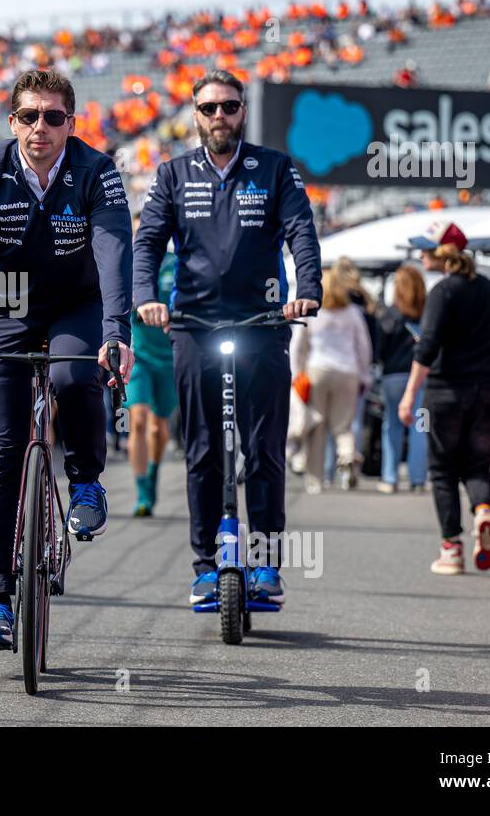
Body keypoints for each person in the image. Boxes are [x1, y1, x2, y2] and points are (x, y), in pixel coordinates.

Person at [0, 68, 134, 649]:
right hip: (7, 307)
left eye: (54, 117)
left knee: (77, 375)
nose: (41, 128)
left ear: (70, 124)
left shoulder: (96, 170)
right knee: (1, 455)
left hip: (78, 305)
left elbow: (113, 250)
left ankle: (85, 483)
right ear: (13, 122)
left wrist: (115, 331)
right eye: (29, 116)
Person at [133, 70, 322, 610]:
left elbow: (300, 232)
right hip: (193, 326)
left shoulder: (275, 169)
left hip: (262, 325)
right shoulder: (172, 174)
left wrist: (307, 288)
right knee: (203, 450)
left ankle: (264, 565)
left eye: (230, 107)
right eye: (210, 108)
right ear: (194, 114)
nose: (220, 117)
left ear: (244, 112)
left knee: (263, 448)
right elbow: (147, 243)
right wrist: (146, 296)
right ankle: (206, 566)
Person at [398, 221, 490, 576]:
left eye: (426, 250)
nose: (421, 255)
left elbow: (427, 348)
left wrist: (409, 395)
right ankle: (483, 509)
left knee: (442, 469)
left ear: (442, 254)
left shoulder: (442, 292)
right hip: (486, 387)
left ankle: (451, 549)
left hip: (446, 391)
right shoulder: (487, 287)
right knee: (475, 463)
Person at [290, 269, 371, 495]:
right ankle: (347, 457)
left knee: (317, 426)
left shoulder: (312, 312)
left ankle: (315, 480)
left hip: (318, 370)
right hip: (348, 372)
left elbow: (298, 344)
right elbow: (363, 347)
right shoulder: (353, 312)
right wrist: (364, 375)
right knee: (343, 425)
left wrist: (296, 374)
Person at [127, 211, 177, 517]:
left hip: (169, 357)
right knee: (139, 420)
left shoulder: (174, 263)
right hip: (139, 356)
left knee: (159, 428)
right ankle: (142, 492)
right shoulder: (126, 265)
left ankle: (154, 475)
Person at [376, 264, 428, 494]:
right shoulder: (428, 314)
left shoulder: (389, 314)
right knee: (421, 426)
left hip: (393, 377)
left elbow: (380, 348)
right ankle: (418, 478)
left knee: (392, 426)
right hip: (424, 376)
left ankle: (390, 477)